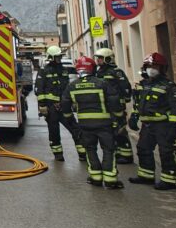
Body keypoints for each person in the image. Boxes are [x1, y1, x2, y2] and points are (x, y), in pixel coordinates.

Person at [62, 56, 124, 189]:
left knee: (90, 150)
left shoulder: (72, 86)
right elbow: (114, 103)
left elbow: (65, 107)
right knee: (108, 150)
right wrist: (120, 119)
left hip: (85, 125)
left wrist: (73, 123)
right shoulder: (102, 83)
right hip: (105, 124)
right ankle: (110, 179)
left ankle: (95, 177)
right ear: (93, 69)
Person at [128, 52, 176, 190]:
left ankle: (169, 180)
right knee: (143, 149)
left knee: (166, 151)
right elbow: (138, 104)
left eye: (156, 66)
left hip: (163, 125)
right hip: (147, 125)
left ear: (162, 69)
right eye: (149, 66)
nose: (152, 69)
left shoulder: (169, 86)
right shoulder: (142, 85)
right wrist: (134, 117)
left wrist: (173, 126)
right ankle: (146, 176)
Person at [35, 46, 85, 161]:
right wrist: (42, 105)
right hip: (51, 107)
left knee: (75, 129)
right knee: (54, 132)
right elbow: (39, 90)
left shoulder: (64, 70)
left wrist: (72, 101)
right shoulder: (44, 71)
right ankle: (58, 154)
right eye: (56, 56)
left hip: (64, 106)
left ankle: (82, 153)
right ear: (51, 57)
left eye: (59, 56)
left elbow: (69, 87)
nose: (59, 58)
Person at [94, 48, 134, 164]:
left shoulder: (117, 72)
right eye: (98, 58)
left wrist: (123, 100)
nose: (98, 61)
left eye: (100, 58)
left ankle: (127, 155)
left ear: (107, 59)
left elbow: (126, 87)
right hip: (105, 107)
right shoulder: (99, 72)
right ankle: (118, 153)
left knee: (120, 130)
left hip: (116, 107)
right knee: (110, 131)